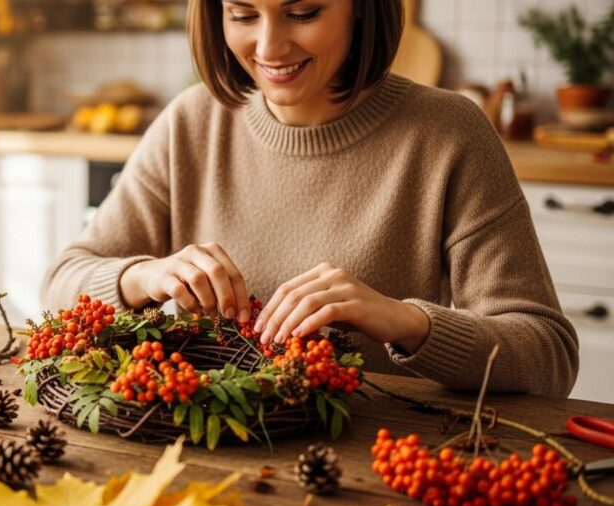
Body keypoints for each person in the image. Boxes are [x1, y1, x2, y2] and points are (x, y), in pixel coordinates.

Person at [40, 0, 578, 396]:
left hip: (371, 468)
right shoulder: (191, 123)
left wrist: (402, 320)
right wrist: (144, 278)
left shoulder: (449, 133)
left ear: (362, 9)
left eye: (303, 12)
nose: (270, 47)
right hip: (199, 456)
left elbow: (549, 354)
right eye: (243, 14)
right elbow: (60, 283)